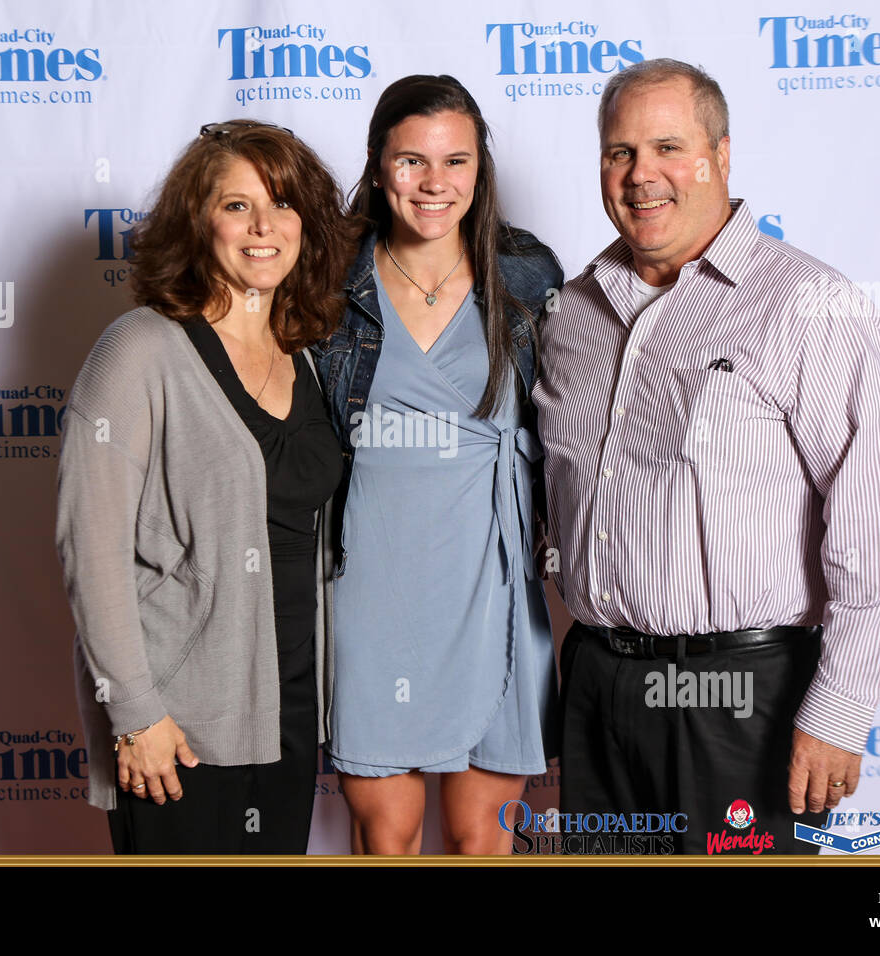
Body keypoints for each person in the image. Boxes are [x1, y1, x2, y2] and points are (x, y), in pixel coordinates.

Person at [532, 59, 880, 853]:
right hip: (601, 687)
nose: (643, 175)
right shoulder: (572, 312)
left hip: (744, 699)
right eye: (620, 153)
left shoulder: (807, 305)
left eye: (669, 147)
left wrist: (839, 711)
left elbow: (878, 527)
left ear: (722, 153)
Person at [55, 120, 354, 854]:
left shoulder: (303, 352)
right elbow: (89, 550)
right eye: (236, 206)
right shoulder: (141, 350)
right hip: (178, 725)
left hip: (284, 709)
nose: (264, 227)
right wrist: (135, 714)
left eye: (284, 206)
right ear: (198, 222)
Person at [314, 75, 563, 855]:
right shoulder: (325, 274)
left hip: (491, 574)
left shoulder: (527, 272)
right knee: (384, 838)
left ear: (480, 169)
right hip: (370, 578)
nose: (435, 183)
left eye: (456, 161)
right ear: (378, 164)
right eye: (412, 161)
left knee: (480, 843)